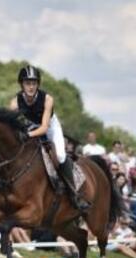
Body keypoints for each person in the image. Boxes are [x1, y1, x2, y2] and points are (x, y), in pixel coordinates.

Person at [10, 65, 88, 210]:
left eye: (34, 83)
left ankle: (74, 194)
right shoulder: (15, 103)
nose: (31, 87)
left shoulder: (47, 99)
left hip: (50, 127)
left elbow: (44, 128)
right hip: (29, 127)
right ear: (21, 84)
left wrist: (27, 135)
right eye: (27, 83)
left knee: (60, 155)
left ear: (38, 84)